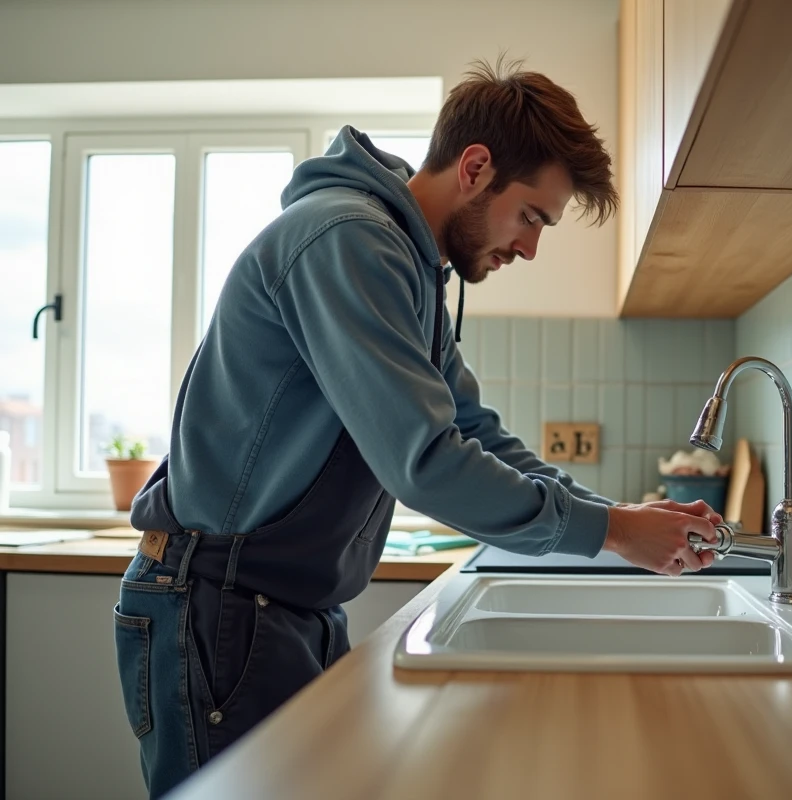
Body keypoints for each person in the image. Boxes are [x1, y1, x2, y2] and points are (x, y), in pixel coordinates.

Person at [113, 59, 721, 798]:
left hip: (275, 610)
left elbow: (475, 432)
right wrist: (614, 531)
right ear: (475, 167)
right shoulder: (347, 241)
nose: (530, 247)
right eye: (531, 215)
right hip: (213, 609)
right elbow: (428, 462)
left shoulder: (405, 264)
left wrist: (617, 518)